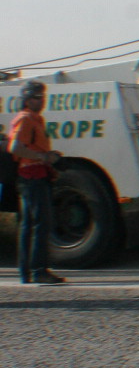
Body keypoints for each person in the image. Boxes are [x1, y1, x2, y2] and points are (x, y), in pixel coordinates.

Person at [8, 81, 63, 285]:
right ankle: (39, 270)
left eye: (42, 97)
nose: (41, 101)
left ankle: (28, 272)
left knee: (30, 225)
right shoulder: (25, 119)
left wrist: (47, 158)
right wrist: (43, 158)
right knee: (41, 224)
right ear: (26, 99)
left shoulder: (35, 119)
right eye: (36, 98)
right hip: (32, 177)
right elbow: (15, 148)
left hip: (35, 175)